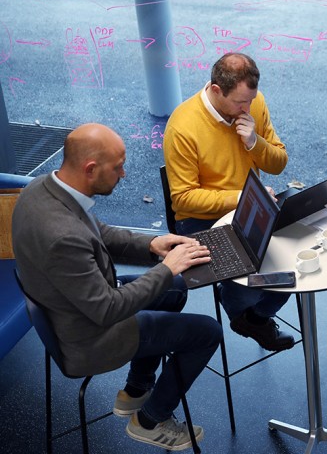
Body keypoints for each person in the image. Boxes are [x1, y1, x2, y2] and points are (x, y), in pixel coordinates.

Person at [11, 123, 223, 451]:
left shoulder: (42, 187)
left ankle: (136, 389)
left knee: (176, 289)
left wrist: (152, 244)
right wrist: (167, 268)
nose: (124, 174)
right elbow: (108, 309)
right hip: (88, 338)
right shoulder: (62, 237)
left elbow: (99, 233)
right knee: (207, 332)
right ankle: (150, 421)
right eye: (118, 167)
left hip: (73, 306)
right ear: (90, 169)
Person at [163, 52, 294, 352]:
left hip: (249, 210)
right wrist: (240, 197)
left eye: (251, 100)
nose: (247, 109)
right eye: (240, 103)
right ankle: (243, 308)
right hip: (199, 220)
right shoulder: (182, 127)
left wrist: (254, 142)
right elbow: (183, 198)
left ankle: (254, 319)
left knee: (292, 265)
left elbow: (278, 164)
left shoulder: (253, 103)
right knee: (253, 279)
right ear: (216, 90)